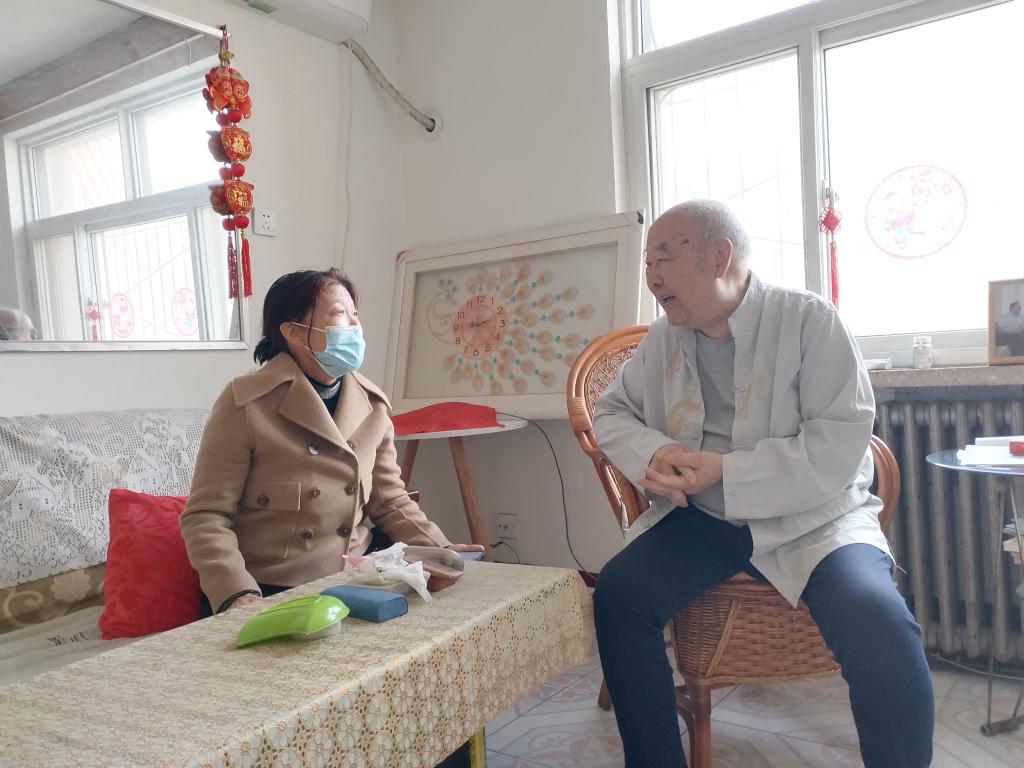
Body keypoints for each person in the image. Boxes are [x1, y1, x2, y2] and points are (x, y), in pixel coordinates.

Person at [592, 200, 933, 768]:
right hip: (705, 515)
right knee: (619, 593)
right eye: (647, 262)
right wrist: (657, 451)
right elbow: (611, 411)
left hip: (814, 517)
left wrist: (727, 469)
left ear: (719, 256)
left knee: (878, 620)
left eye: (664, 257)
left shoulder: (809, 320)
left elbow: (839, 440)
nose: (651, 276)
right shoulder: (664, 338)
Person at [181, 268, 483, 615]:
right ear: (294, 331)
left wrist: (443, 549)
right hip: (271, 590)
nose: (355, 325)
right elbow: (206, 516)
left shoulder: (372, 404)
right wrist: (236, 592)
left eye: (355, 314)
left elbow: (390, 501)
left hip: (358, 579)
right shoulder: (246, 403)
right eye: (340, 313)